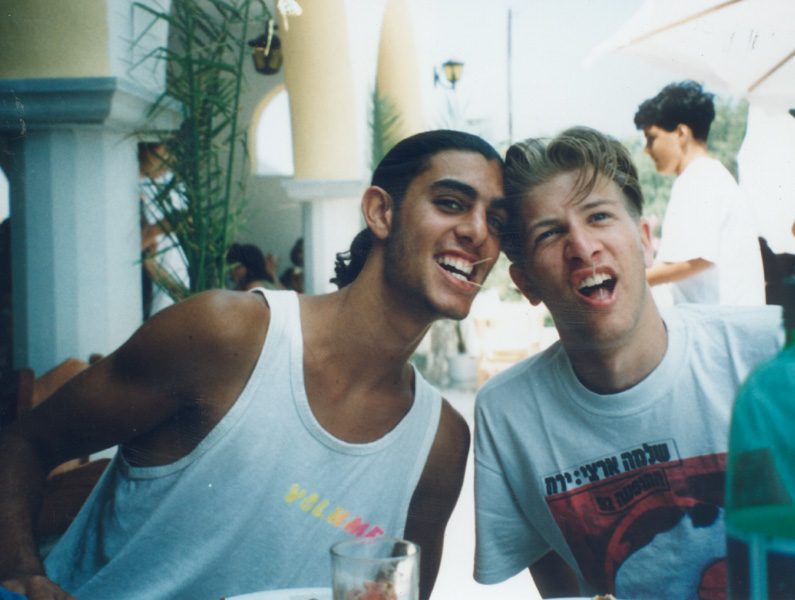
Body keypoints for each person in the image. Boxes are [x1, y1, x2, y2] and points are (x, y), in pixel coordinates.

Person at [0, 129, 507, 600]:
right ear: (380, 212)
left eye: (498, 221)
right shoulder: (229, 335)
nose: (478, 232)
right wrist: (18, 569)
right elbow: (23, 443)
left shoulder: (440, 442)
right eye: (450, 203)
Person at [472, 127, 784, 599]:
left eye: (599, 216)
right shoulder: (508, 413)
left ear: (644, 241)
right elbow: (554, 574)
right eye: (549, 233)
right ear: (526, 283)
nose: (582, 246)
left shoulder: (771, 351)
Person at [634, 80, 765, 306]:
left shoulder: (700, 178)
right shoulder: (707, 175)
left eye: (651, 138)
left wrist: (629, 279)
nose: (647, 149)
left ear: (681, 133)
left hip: (719, 324)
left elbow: (695, 260)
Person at [139, 142, 191, 318]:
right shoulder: (129, 181)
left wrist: (152, 232)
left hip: (168, 265)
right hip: (149, 271)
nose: (165, 165)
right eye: (160, 157)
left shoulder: (169, 181)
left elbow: (186, 216)